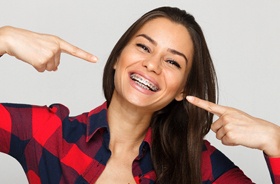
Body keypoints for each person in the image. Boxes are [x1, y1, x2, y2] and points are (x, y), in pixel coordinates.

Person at [0, 6, 279, 184]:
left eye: (172, 62)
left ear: (182, 89)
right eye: (144, 47)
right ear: (117, 58)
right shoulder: (50, 134)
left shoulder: (200, 164)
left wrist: (276, 142)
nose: (152, 65)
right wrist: (4, 38)